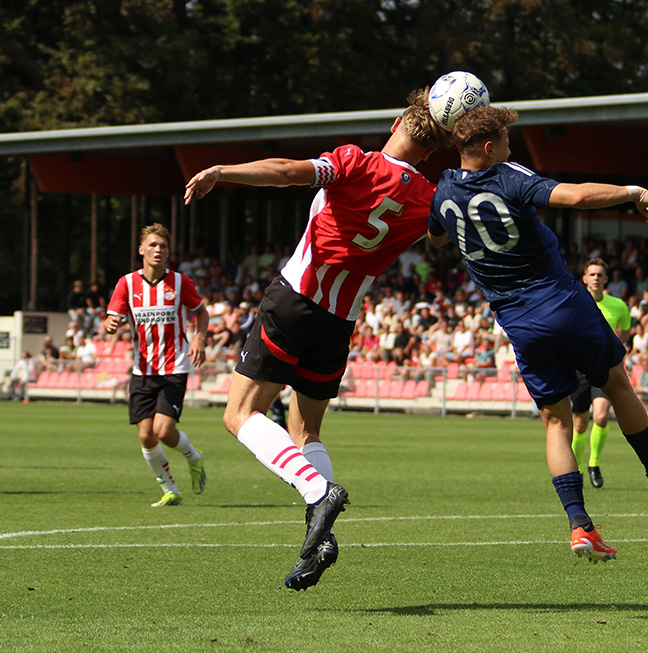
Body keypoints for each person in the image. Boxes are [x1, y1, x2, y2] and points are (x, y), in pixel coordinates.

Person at [184, 87, 448, 590]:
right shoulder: (430, 198)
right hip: (340, 321)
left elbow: (287, 171)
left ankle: (317, 492)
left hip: (296, 300)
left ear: (396, 122)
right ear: (432, 150)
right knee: (307, 434)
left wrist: (224, 171)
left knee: (240, 415)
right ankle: (318, 539)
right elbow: (436, 238)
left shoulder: (356, 162)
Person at [427, 105, 648, 564]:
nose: (512, 146)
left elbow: (437, 239)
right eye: (506, 139)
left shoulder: (443, 189)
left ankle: (579, 525)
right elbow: (578, 198)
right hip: (562, 304)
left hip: (519, 324)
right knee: (616, 382)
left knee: (555, 422)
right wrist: (633, 191)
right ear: (488, 148)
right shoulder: (507, 176)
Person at [103, 223, 209, 508]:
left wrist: (199, 338)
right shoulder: (126, 283)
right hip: (142, 371)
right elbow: (111, 318)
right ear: (141, 250)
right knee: (145, 435)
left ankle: (193, 457)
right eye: (152, 245)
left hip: (174, 367)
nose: (158, 250)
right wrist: (110, 323)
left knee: (163, 431)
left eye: (163, 246)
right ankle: (170, 489)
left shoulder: (180, 282)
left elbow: (201, 312)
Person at [570, 258, 632, 489]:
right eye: (592, 274)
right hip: (579, 369)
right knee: (579, 425)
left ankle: (594, 464)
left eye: (600, 274)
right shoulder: (574, 302)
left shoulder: (618, 305)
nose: (596, 278)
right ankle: (575, 468)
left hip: (605, 367)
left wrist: (617, 346)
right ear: (584, 278)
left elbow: (625, 327)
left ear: (606, 279)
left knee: (601, 417)